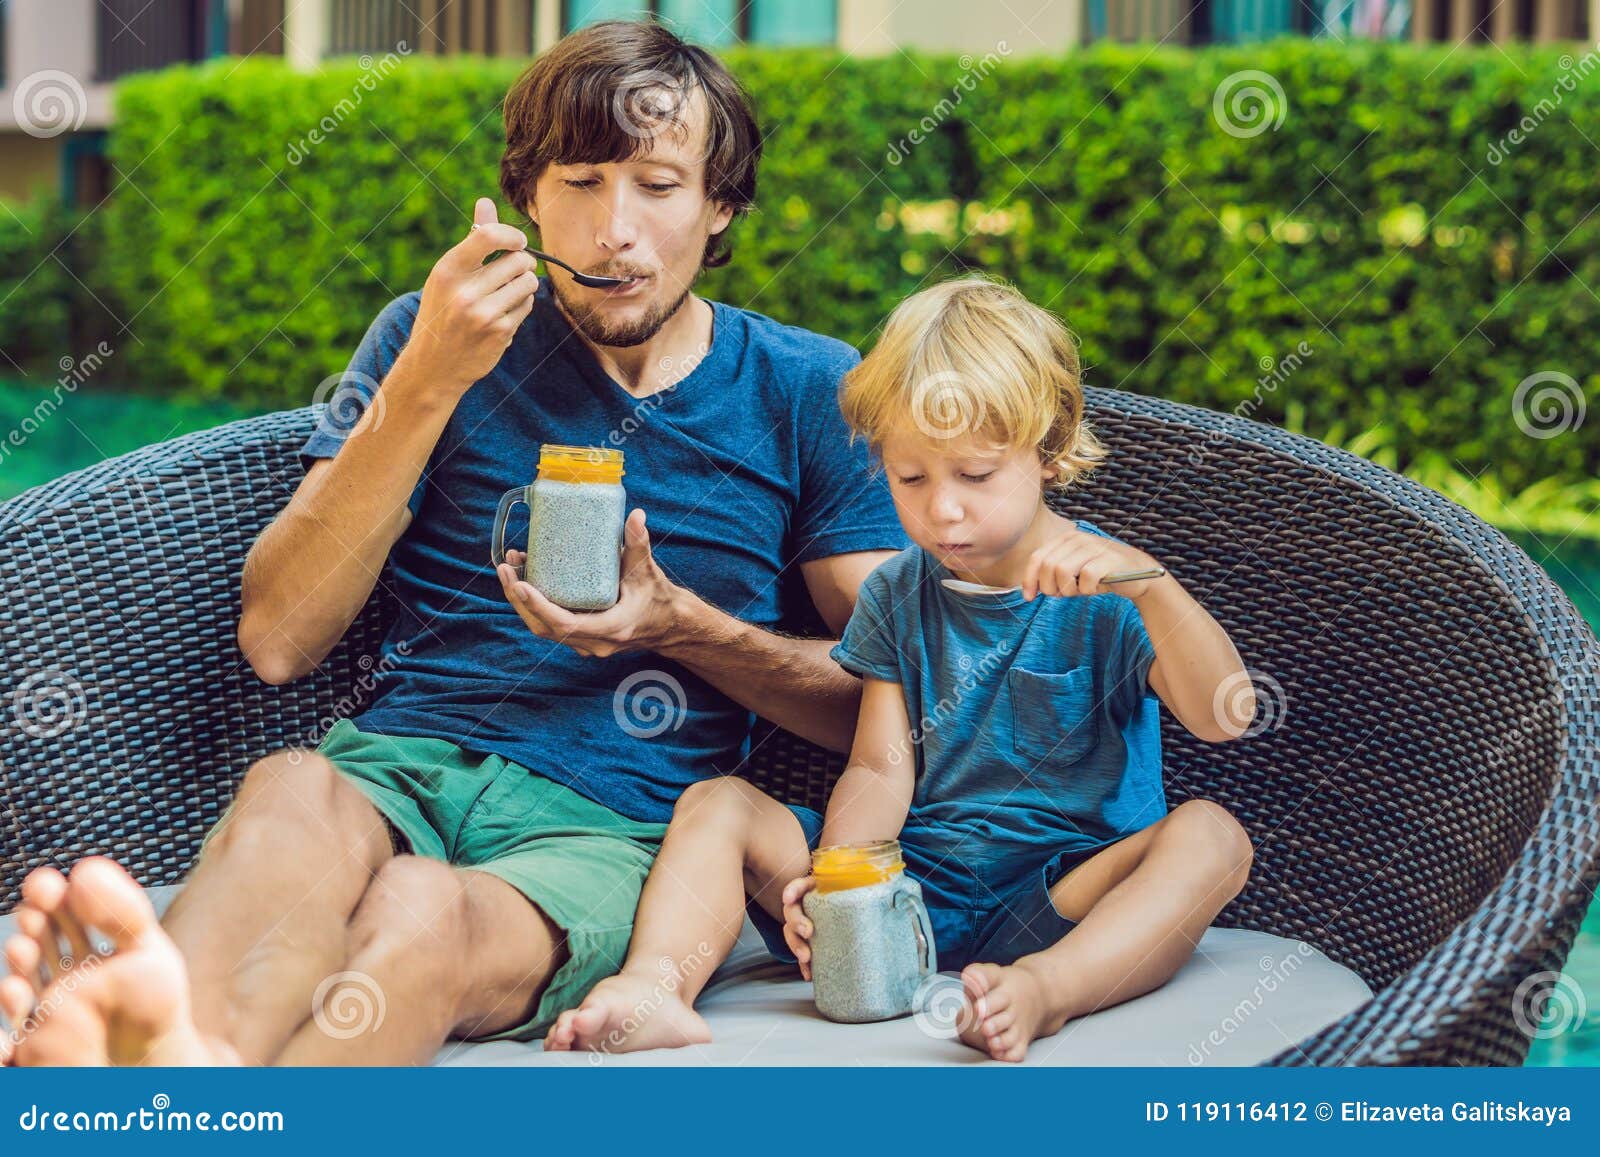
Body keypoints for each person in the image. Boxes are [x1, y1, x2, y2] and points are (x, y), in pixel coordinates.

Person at [0, 20, 905, 1067]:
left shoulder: (802, 388)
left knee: (424, 910)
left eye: (657, 186)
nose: (616, 230)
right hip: (396, 761)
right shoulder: (434, 333)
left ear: (719, 206)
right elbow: (280, 637)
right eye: (579, 180)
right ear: (528, 195)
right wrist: (429, 375)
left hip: (606, 826)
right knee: (294, 787)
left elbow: (885, 697)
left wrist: (685, 628)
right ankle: (166, 1054)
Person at [546, 277, 1256, 1063]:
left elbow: (1223, 716)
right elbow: (881, 766)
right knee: (719, 803)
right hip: (915, 887)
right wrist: (846, 884)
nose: (940, 510)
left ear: (1048, 452)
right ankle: (656, 987)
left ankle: (1047, 989)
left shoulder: (1112, 585)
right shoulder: (897, 590)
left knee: (1212, 836)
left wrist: (1155, 587)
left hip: (1065, 893)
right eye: (910, 478)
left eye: (975, 476)